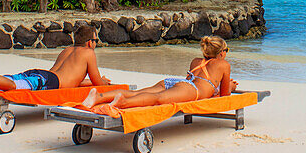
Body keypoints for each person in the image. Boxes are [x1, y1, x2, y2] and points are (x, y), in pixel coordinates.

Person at [0, 24, 110, 93]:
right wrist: (103, 82)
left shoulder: (68, 51)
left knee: (8, 81)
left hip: (42, 76)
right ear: (89, 42)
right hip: (47, 81)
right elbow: (97, 83)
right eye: (95, 40)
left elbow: (71, 80)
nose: (96, 43)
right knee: (12, 86)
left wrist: (90, 82)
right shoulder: (88, 53)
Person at [82, 36, 236, 111]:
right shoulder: (223, 65)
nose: (226, 53)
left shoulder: (196, 61)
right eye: (226, 50)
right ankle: (122, 103)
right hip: (191, 90)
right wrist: (229, 86)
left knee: (137, 92)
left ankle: (98, 97)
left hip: (177, 83)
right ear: (221, 53)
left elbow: (191, 79)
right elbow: (223, 97)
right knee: (158, 99)